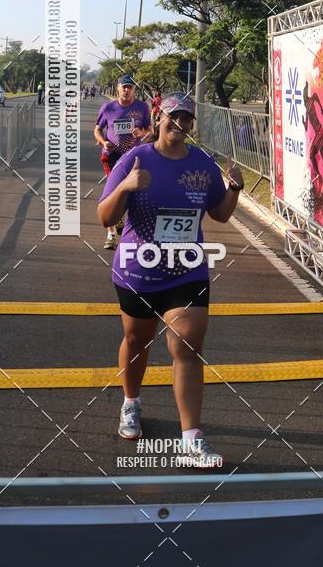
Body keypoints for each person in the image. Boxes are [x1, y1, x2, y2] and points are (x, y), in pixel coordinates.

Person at [97, 92, 244, 466]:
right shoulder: (134, 159)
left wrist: (235, 190)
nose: (180, 122)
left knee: (188, 346)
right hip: (138, 268)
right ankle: (131, 403)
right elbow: (103, 216)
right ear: (159, 117)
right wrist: (127, 187)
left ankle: (192, 437)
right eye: (173, 115)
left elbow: (220, 214)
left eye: (187, 118)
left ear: (192, 124)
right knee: (137, 339)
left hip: (186, 268)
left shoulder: (201, 163)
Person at [94, 75, 152, 250]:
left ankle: (128, 227)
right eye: (124, 87)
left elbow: (150, 130)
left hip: (133, 156)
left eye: (130, 87)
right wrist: (104, 142)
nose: (127, 90)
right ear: (118, 87)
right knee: (113, 189)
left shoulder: (142, 107)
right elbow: (97, 129)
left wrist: (140, 133)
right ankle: (111, 234)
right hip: (112, 155)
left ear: (134, 89)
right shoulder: (108, 108)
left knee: (133, 192)